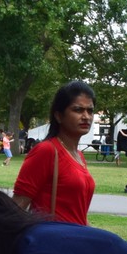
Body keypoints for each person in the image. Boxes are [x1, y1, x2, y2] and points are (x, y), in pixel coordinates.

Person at [13, 80, 97, 225]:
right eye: (78, 110)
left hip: (76, 236)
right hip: (53, 237)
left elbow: (77, 214)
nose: (86, 116)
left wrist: (93, 234)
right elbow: (17, 207)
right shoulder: (46, 151)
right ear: (59, 116)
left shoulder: (79, 156)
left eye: (90, 111)